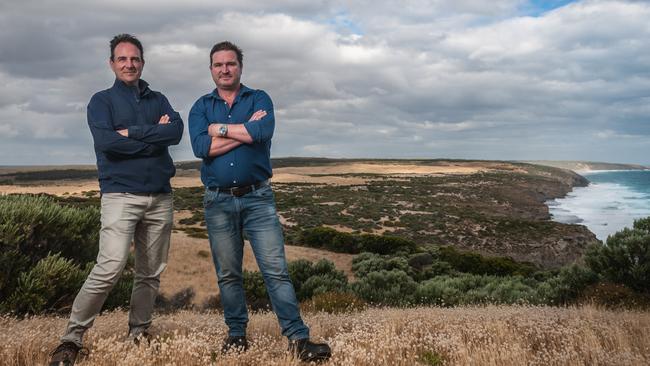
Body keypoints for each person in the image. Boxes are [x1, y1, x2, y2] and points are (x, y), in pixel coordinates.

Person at [188, 41, 331, 362]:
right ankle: (236, 335)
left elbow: (261, 132)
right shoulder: (200, 106)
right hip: (218, 201)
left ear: (240, 66)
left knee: (276, 270)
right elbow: (201, 148)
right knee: (228, 274)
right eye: (218, 65)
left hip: (258, 198)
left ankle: (298, 339)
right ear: (211, 69)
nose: (225, 69)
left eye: (231, 64)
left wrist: (219, 131)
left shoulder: (260, 98)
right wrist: (242, 132)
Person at [49, 33, 184, 366]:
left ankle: (139, 333)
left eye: (135, 58)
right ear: (112, 64)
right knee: (108, 267)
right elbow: (109, 144)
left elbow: (176, 132)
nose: (129, 64)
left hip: (159, 197)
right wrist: (153, 135)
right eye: (122, 59)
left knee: (150, 273)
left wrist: (133, 132)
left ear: (142, 61)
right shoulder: (101, 101)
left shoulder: (159, 99)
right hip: (120, 195)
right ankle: (71, 339)